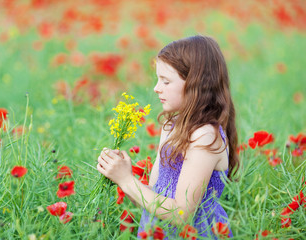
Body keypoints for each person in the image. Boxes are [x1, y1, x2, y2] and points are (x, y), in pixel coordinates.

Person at [97, 35, 239, 239]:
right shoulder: (172, 126)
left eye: (165, 81)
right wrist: (122, 175)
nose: (156, 88)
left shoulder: (204, 136)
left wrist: (127, 181)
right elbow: (154, 198)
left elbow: (181, 214)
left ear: (195, 85)